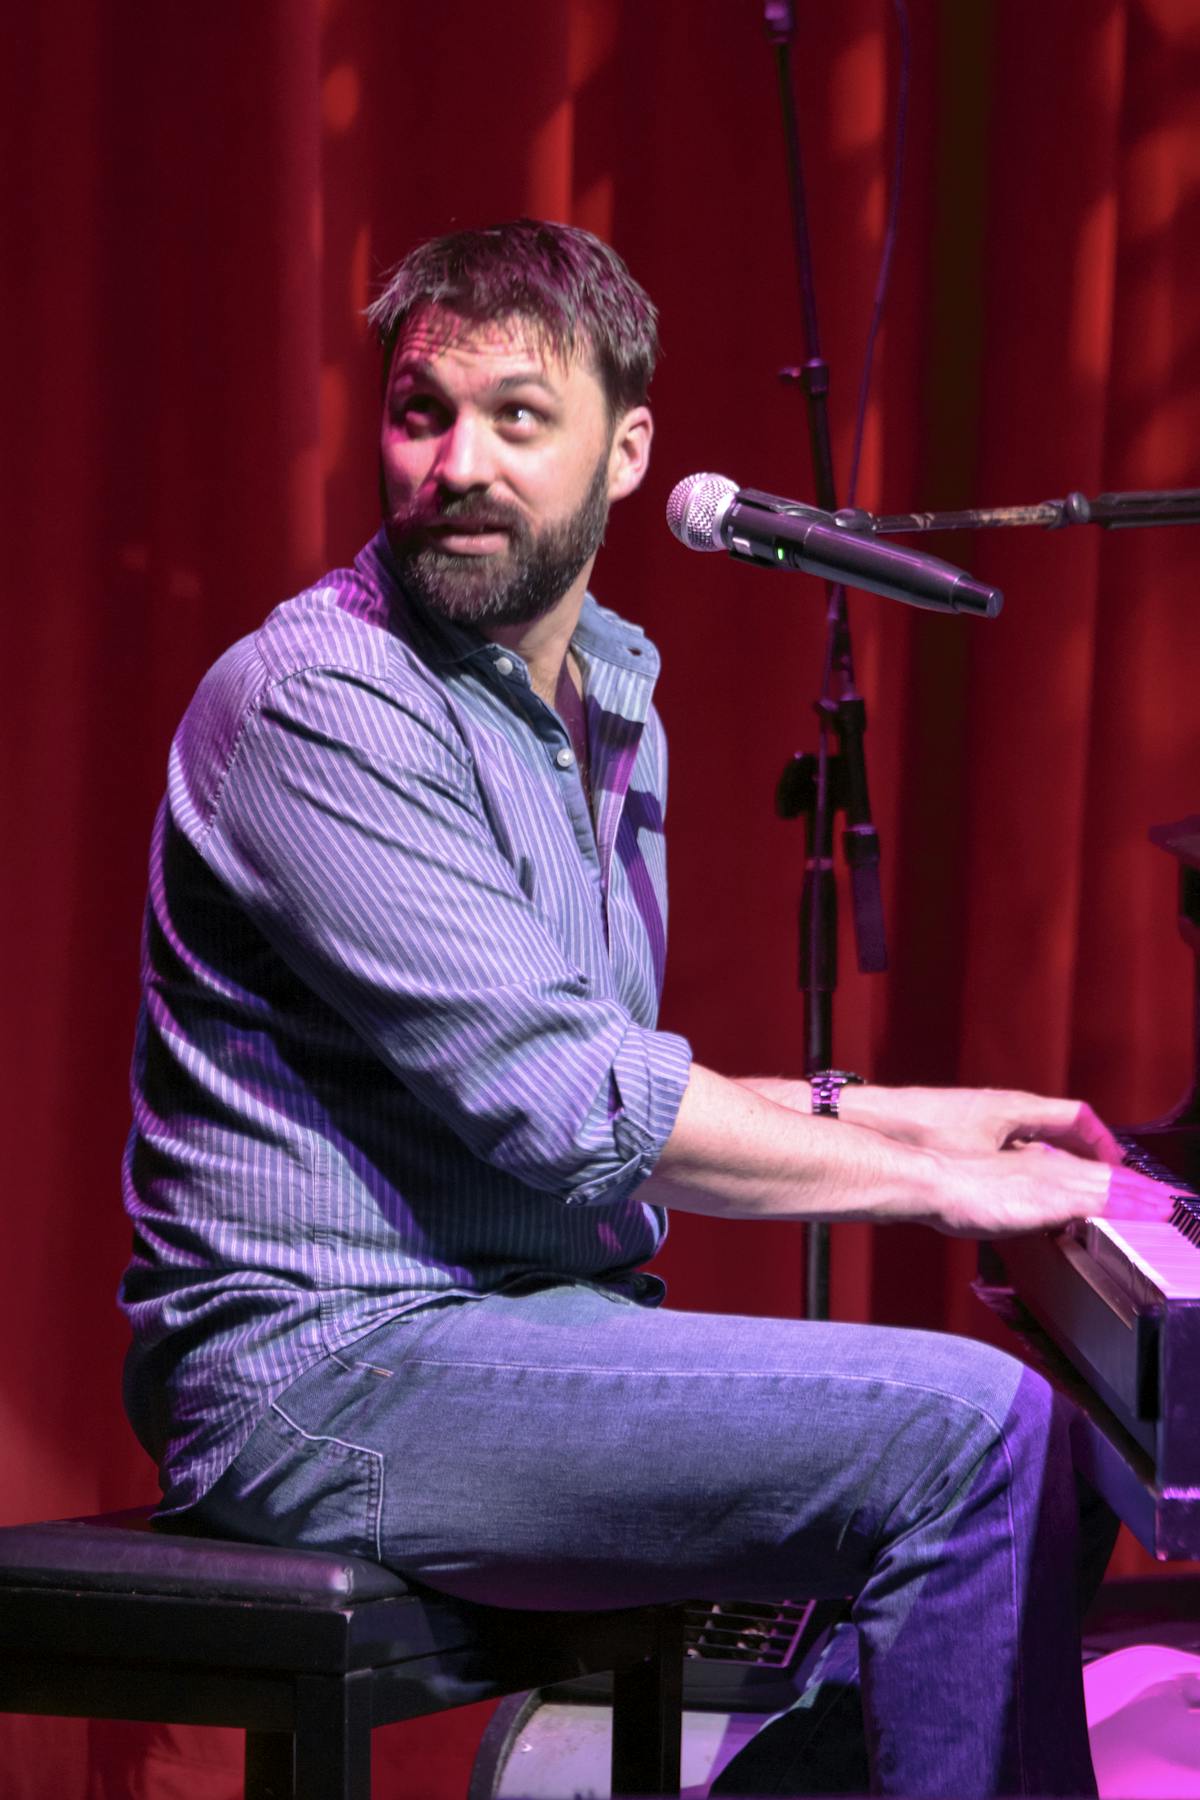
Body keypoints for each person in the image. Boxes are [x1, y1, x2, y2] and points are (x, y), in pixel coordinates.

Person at [120, 219, 1168, 1796]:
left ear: (629, 451)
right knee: (972, 1434)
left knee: (1057, 1451)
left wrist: (875, 1109)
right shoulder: (318, 703)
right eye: (422, 412)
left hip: (521, 1331)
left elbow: (571, 1058)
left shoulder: (603, 695)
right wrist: (946, 1186)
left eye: (516, 417)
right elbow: (564, 1100)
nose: (454, 461)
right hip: (327, 1376)